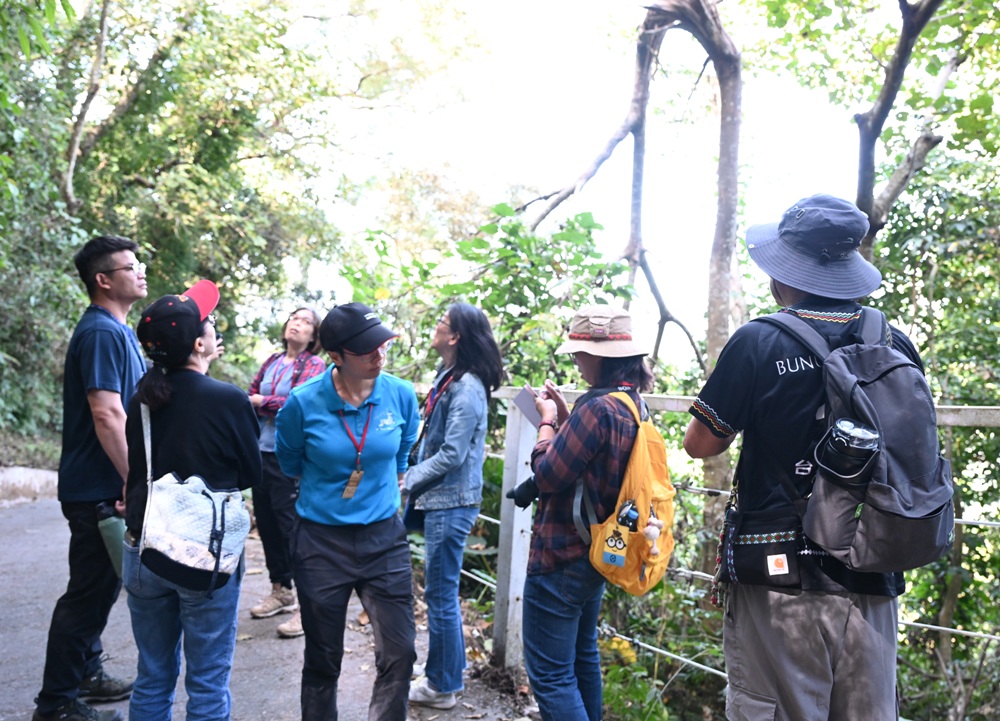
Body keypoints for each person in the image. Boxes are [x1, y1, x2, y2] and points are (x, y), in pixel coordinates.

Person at [684, 194, 919, 721]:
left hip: (779, 575)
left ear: (784, 273)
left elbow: (701, 443)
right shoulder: (895, 343)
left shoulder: (758, 341)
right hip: (874, 565)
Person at [122, 279, 262, 721]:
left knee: (152, 675)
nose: (214, 328)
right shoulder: (228, 399)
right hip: (205, 551)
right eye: (210, 323)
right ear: (199, 344)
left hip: (144, 546)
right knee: (207, 681)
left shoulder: (142, 400)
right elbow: (250, 474)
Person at [275, 302, 420, 721]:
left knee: (400, 652)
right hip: (320, 542)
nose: (379, 354)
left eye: (383, 345)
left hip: (384, 538)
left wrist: (386, 483)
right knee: (323, 656)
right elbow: (289, 461)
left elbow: (403, 450)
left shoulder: (400, 394)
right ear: (336, 355)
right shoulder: (302, 402)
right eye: (366, 349)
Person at [521, 305, 654, 721]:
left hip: (562, 555)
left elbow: (548, 474)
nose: (576, 360)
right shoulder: (633, 404)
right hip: (599, 550)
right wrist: (568, 417)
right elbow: (593, 462)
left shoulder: (597, 409)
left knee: (551, 675)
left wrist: (546, 423)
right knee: (582, 658)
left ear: (601, 356)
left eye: (580, 352)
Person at [34, 236, 148, 721]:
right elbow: (107, 413)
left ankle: (87, 672)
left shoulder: (117, 331)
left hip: (103, 483)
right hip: (100, 486)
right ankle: (56, 703)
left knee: (99, 585)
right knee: (89, 592)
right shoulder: (102, 332)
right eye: (130, 266)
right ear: (103, 279)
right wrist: (132, 479)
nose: (140, 271)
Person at [404, 303, 504, 710]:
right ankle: (446, 671)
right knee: (440, 591)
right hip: (439, 498)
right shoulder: (449, 376)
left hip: (452, 500)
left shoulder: (467, 388)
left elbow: (452, 453)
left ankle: (441, 687)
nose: (435, 327)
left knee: (441, 593)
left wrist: (408, 477)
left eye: (441, 323)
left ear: (456, 336)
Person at [247, 307, 326, 638]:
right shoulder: (272, 361)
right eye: (294, 318)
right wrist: (262, 401)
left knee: (292, 528)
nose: (297, 324)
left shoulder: (315, 365)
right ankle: (281, 590)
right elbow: (248, 394)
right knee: (267, 525)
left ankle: (310, 606)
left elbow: (298, 403)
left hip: (289, 457)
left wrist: (261, 402)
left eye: (306, 322)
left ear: (313, 335)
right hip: (261, 452)